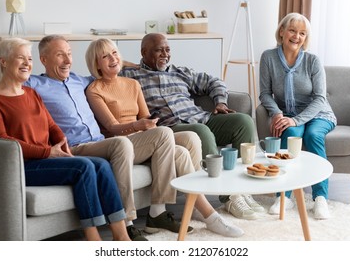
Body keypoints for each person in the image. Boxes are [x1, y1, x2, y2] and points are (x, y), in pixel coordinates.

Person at [23, 35, 196, 240]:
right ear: (43, 60)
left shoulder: (81, 81)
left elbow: (110, 69)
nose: (68, 60)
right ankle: (127, 221)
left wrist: (126, 62)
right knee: (123, 143)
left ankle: (163, 211)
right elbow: (0, 86)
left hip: (99, 143)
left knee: (181, 141)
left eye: (69, 54)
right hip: (75, 147)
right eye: (60, 55)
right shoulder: (35, 83)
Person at [84, 38, 244, 237]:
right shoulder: (94, 90)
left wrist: (146, 124)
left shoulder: (132, 84)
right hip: (120, 144)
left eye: (115, 53)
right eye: (105, 56)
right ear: (95, 63)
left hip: (143, 139)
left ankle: (162, 212)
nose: (112, 58)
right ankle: (208, 216)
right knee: (164, 132)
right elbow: (112, 127)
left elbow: (144, 117)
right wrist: (140, 126)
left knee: (189, 140)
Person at [0, 37, 131, 241]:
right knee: (83, 167)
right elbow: (3, 142)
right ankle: (93, 239)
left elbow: (51, 126)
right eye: (20, 58)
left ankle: (121, 236)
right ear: (4, 61)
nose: (27, 63)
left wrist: (62, 144)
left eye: (29, 59)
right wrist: (49, 152)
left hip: (47, 158)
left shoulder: (31, 93)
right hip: (23, 165)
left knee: (102, 166)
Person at [120, 33, 264, 220]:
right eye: (158, 50)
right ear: (144, 52)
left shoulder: (180, 72)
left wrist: (220, 102)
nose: (165, 54)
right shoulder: (132, 75)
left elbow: (214, 82)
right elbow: (104, 65)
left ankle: (242, 189)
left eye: (168, 49)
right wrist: (128, 63)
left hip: (200, 118)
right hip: (170, 128)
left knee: (243, 121)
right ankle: (228, 196)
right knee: (200, 131)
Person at [259, 12, 336, 219]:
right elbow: (265, 93)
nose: (296, 36)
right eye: (292, 30)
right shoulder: (268, 57)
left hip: (318, 113)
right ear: (282, 31)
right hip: (289, 114)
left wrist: (296, 119)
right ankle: (284, 196)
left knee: (312, 136)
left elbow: (320, 98)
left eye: (302, 33)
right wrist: (277, 113)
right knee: (291, 132)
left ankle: (320, 198)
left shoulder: (312, 61)